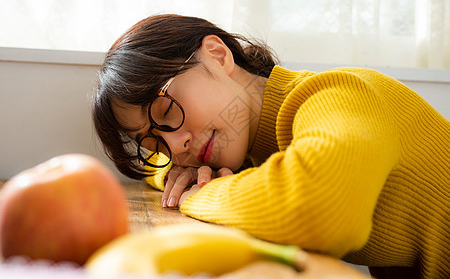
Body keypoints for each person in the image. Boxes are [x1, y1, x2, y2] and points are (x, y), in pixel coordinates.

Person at [92, 14, 449, 279]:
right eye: (152, 141)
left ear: (218, 56)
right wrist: (178, 173)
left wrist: (202, 192)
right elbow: (161, 167)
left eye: (167, 110)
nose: (176, 143)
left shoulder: (341, 93)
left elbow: (320, 212)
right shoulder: (252, 154)